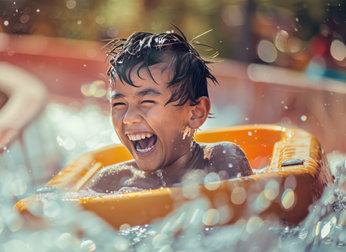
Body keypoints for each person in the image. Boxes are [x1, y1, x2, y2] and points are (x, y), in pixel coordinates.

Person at [85, 30, 252, 193]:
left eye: (147, 102)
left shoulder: (220, 161)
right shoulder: (109, 181)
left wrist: (151, 199)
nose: (129, 118)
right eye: (119, 104)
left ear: (196, 113)